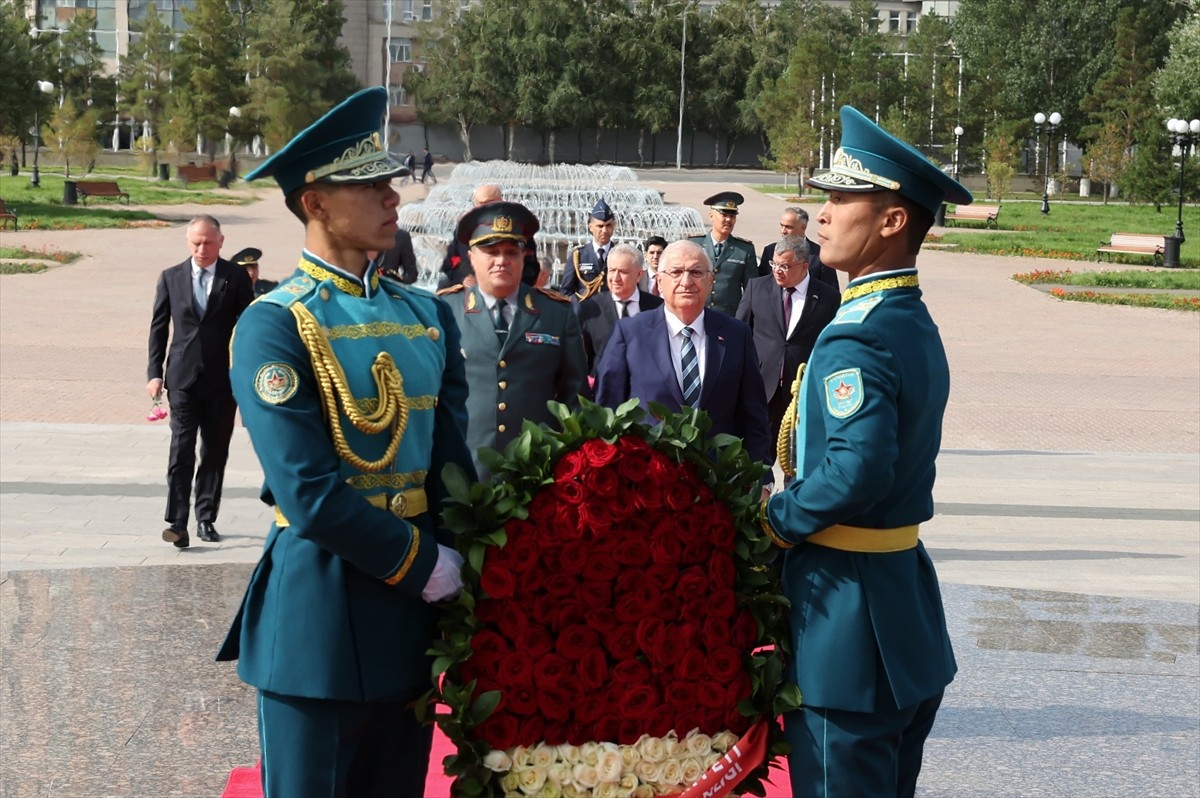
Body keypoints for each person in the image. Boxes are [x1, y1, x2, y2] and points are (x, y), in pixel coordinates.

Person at [215, 87, 476, 797]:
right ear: (316, 204)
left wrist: (481, 570)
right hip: (320, 625)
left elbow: (451, 469)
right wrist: (423, 562)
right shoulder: (274, 324)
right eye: (368, 186)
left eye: (390, 182)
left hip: (410, 625)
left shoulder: (426, 316)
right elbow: (308, 493)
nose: (392, 198)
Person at [759, 105, 972, 798]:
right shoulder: (907, 319)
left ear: (892, 221)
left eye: (843, 200)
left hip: (846, 625)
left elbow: (856, 469)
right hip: (900, 608)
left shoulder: (858, 333)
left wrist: (773, 519)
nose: (822, 215)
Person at [439, 202, 588, 479]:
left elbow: (575, 398)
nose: (501, 260)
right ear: (471, 257)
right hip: (462, 473)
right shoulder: (444, 311)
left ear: (523, 257)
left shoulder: (557, 313)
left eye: (510, 252)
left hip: (535, 475)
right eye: (491, 251)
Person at [593, 239, 771, 470]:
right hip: (647, 476)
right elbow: (607, 411)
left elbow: (754, 415)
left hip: (719, 479)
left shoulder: (736, 335)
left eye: (696, 272)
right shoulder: (630, 333)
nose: (686, 282)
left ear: (710, 280)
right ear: (659, 280)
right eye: (676, 272)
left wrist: (761, 476)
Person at [146, 215, 254, 548]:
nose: (201, 249)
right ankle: (177, 522)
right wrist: (154, 373)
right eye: (196, 242)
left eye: (207, 242)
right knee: (181, 449)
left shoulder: (234, 277)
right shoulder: (171, 277)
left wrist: (248, 371)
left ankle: (206, 517)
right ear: (188, 242)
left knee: (215, 450)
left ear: (221, 242)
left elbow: (248, 326)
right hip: (182, 377)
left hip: (222, 380)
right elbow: (159, 327)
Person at [735, 235, 838, 449]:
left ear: (804, 266)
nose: (777, 271)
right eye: (774, 264)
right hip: (762, 387)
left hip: (802, 391)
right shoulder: (757, 288)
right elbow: (740, 333)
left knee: (796, 456)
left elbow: (832, 347)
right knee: (756, 454)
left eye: (785, 266)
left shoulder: (828, 298)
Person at [576, 243, 662, 377]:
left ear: (639, 275)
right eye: (612, 270)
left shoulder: (658, 307)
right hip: (604, 386)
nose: (615, 278)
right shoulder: (590, 309)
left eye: (623, 272)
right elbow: (581, 359)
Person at [439, 184, 540, 290]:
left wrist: (508, 283)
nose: (483, 207)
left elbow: (531, 268)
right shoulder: (465, 228)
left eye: (488, 203)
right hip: (469, 293)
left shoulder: (518, 228)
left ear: (500, 201)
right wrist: (463, 278)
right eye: (480, 203)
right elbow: (450, 263)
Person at [686, 192, 756, 316]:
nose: (728, 220)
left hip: (729, 317)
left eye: (732, 216)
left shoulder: (744, 250)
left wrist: (741, 319)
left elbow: (751, 291)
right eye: (724, 215)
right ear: (711, 216)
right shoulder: (694, 244)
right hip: (696, 314)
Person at [758, 207, 841, 293]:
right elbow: (761, 285)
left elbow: (832, 291)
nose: (783, 231)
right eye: (781, 225)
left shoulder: (821, 255)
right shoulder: (770, 251)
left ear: (803, 227)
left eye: (788, 227)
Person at [559, 199, 616, 301]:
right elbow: (566, 291)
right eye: (600, 226)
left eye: (608, 225)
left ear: (614, 226)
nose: (605, 230)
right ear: (590, 227)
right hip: (586, 308)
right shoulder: (578, 256)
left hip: (612, 309)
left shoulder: (621, 254)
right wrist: (577, 307)